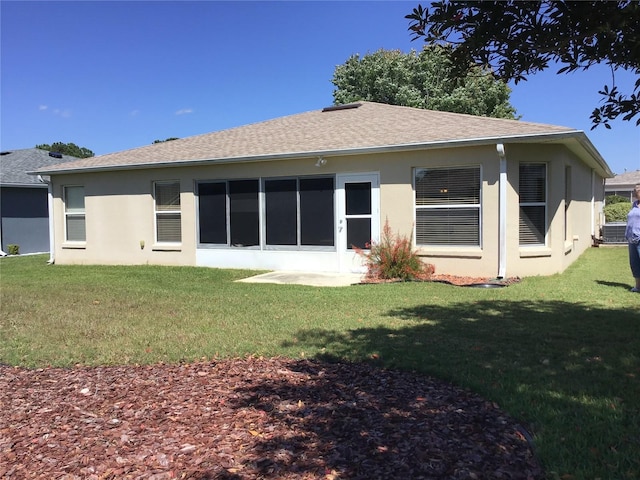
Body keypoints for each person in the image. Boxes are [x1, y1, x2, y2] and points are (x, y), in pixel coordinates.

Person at [625, 184, 640, 293]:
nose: (635, 192)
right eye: (635, 190)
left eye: (637, 190)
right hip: (632, 239)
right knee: (634, 263)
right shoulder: (634, 205)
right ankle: (638, 286)